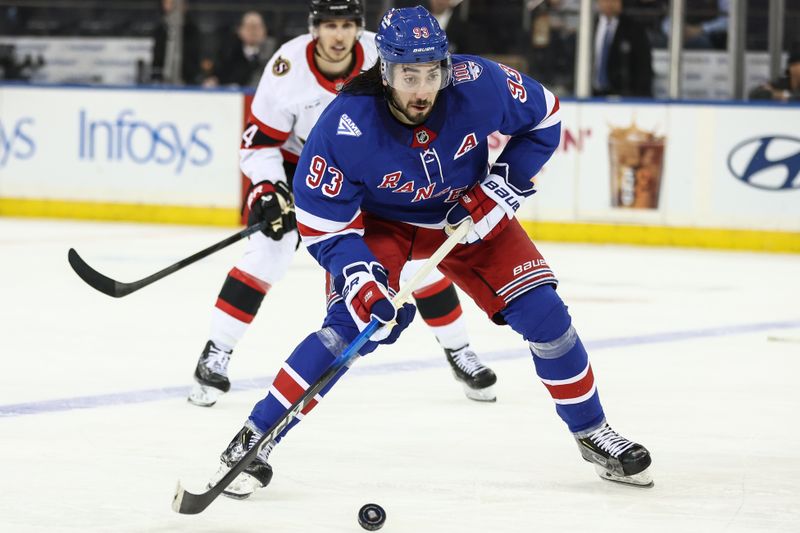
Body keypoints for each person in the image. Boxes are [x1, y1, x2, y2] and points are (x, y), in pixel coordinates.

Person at [206, 5, 653, 500]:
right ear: (384, 69)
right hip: (383, 227)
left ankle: (592, 431)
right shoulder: (345, 124)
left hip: (468, 214)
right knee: (349, 328)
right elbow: (322, 221)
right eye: (407, 75)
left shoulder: (477, 82)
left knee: (547, 316)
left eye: (431, 73)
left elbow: (545, 116)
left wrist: (505, 185)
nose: (422, 89)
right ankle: (254, 439)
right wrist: (358, 275)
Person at [188, 0, 497, 408]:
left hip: (369, 171)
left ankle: (459, 350)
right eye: (330, 24)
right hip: (303, 171)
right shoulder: (287, 66)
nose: (339, 35)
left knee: (411, 259)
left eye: (348, 24)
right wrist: (268, 188)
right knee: (267, 254)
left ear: (359, 28)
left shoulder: (386, 52)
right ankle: (216, 352)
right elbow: (261, 142)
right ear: (314, 27)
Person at [592, 0, 653, 97]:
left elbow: (643, 66)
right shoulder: (588, 26)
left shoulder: (634, 29)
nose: (610, 3)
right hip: (591, 94)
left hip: (623, 95)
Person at [208, 11, 276, 88]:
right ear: (239, 30)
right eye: (249, 26)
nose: (253, 31)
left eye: (257, 26)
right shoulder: (227, 54)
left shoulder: (276, 54)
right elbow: (216, 78)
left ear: (265, 30)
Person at [150, 0, 203, 85]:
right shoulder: (160, 30)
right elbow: (157, 58)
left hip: (187, 81)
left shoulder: (192, 31)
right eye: (168, 3)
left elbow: (195, 59)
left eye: (175, 3)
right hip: (163, 82)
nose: (173, 6)